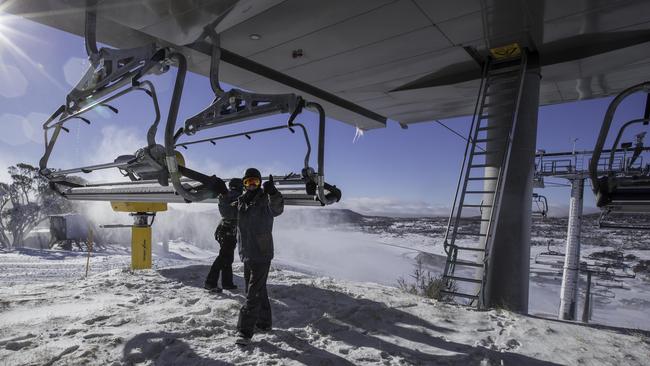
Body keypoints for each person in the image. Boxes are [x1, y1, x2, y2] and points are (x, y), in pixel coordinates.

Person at [235, 168, 284, 346]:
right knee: (258, 290)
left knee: (252, 294)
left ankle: (244, 332)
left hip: (262, 253)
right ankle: (264, 323)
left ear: (260, 183)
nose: (252, 185)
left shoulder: (265, 199)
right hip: (247, 253)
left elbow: (277, 209)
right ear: (244, 184)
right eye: (248, 182)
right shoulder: (241, 201)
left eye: (255, 182)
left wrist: (273, 192)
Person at [204, 178, 244, 292]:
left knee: (227, 257)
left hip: (224, 229)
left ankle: (227, 283)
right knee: (223, 257)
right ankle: (210, 282)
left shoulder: (226, 195)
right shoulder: (235, 196)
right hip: (228, 230)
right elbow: (234, 212)